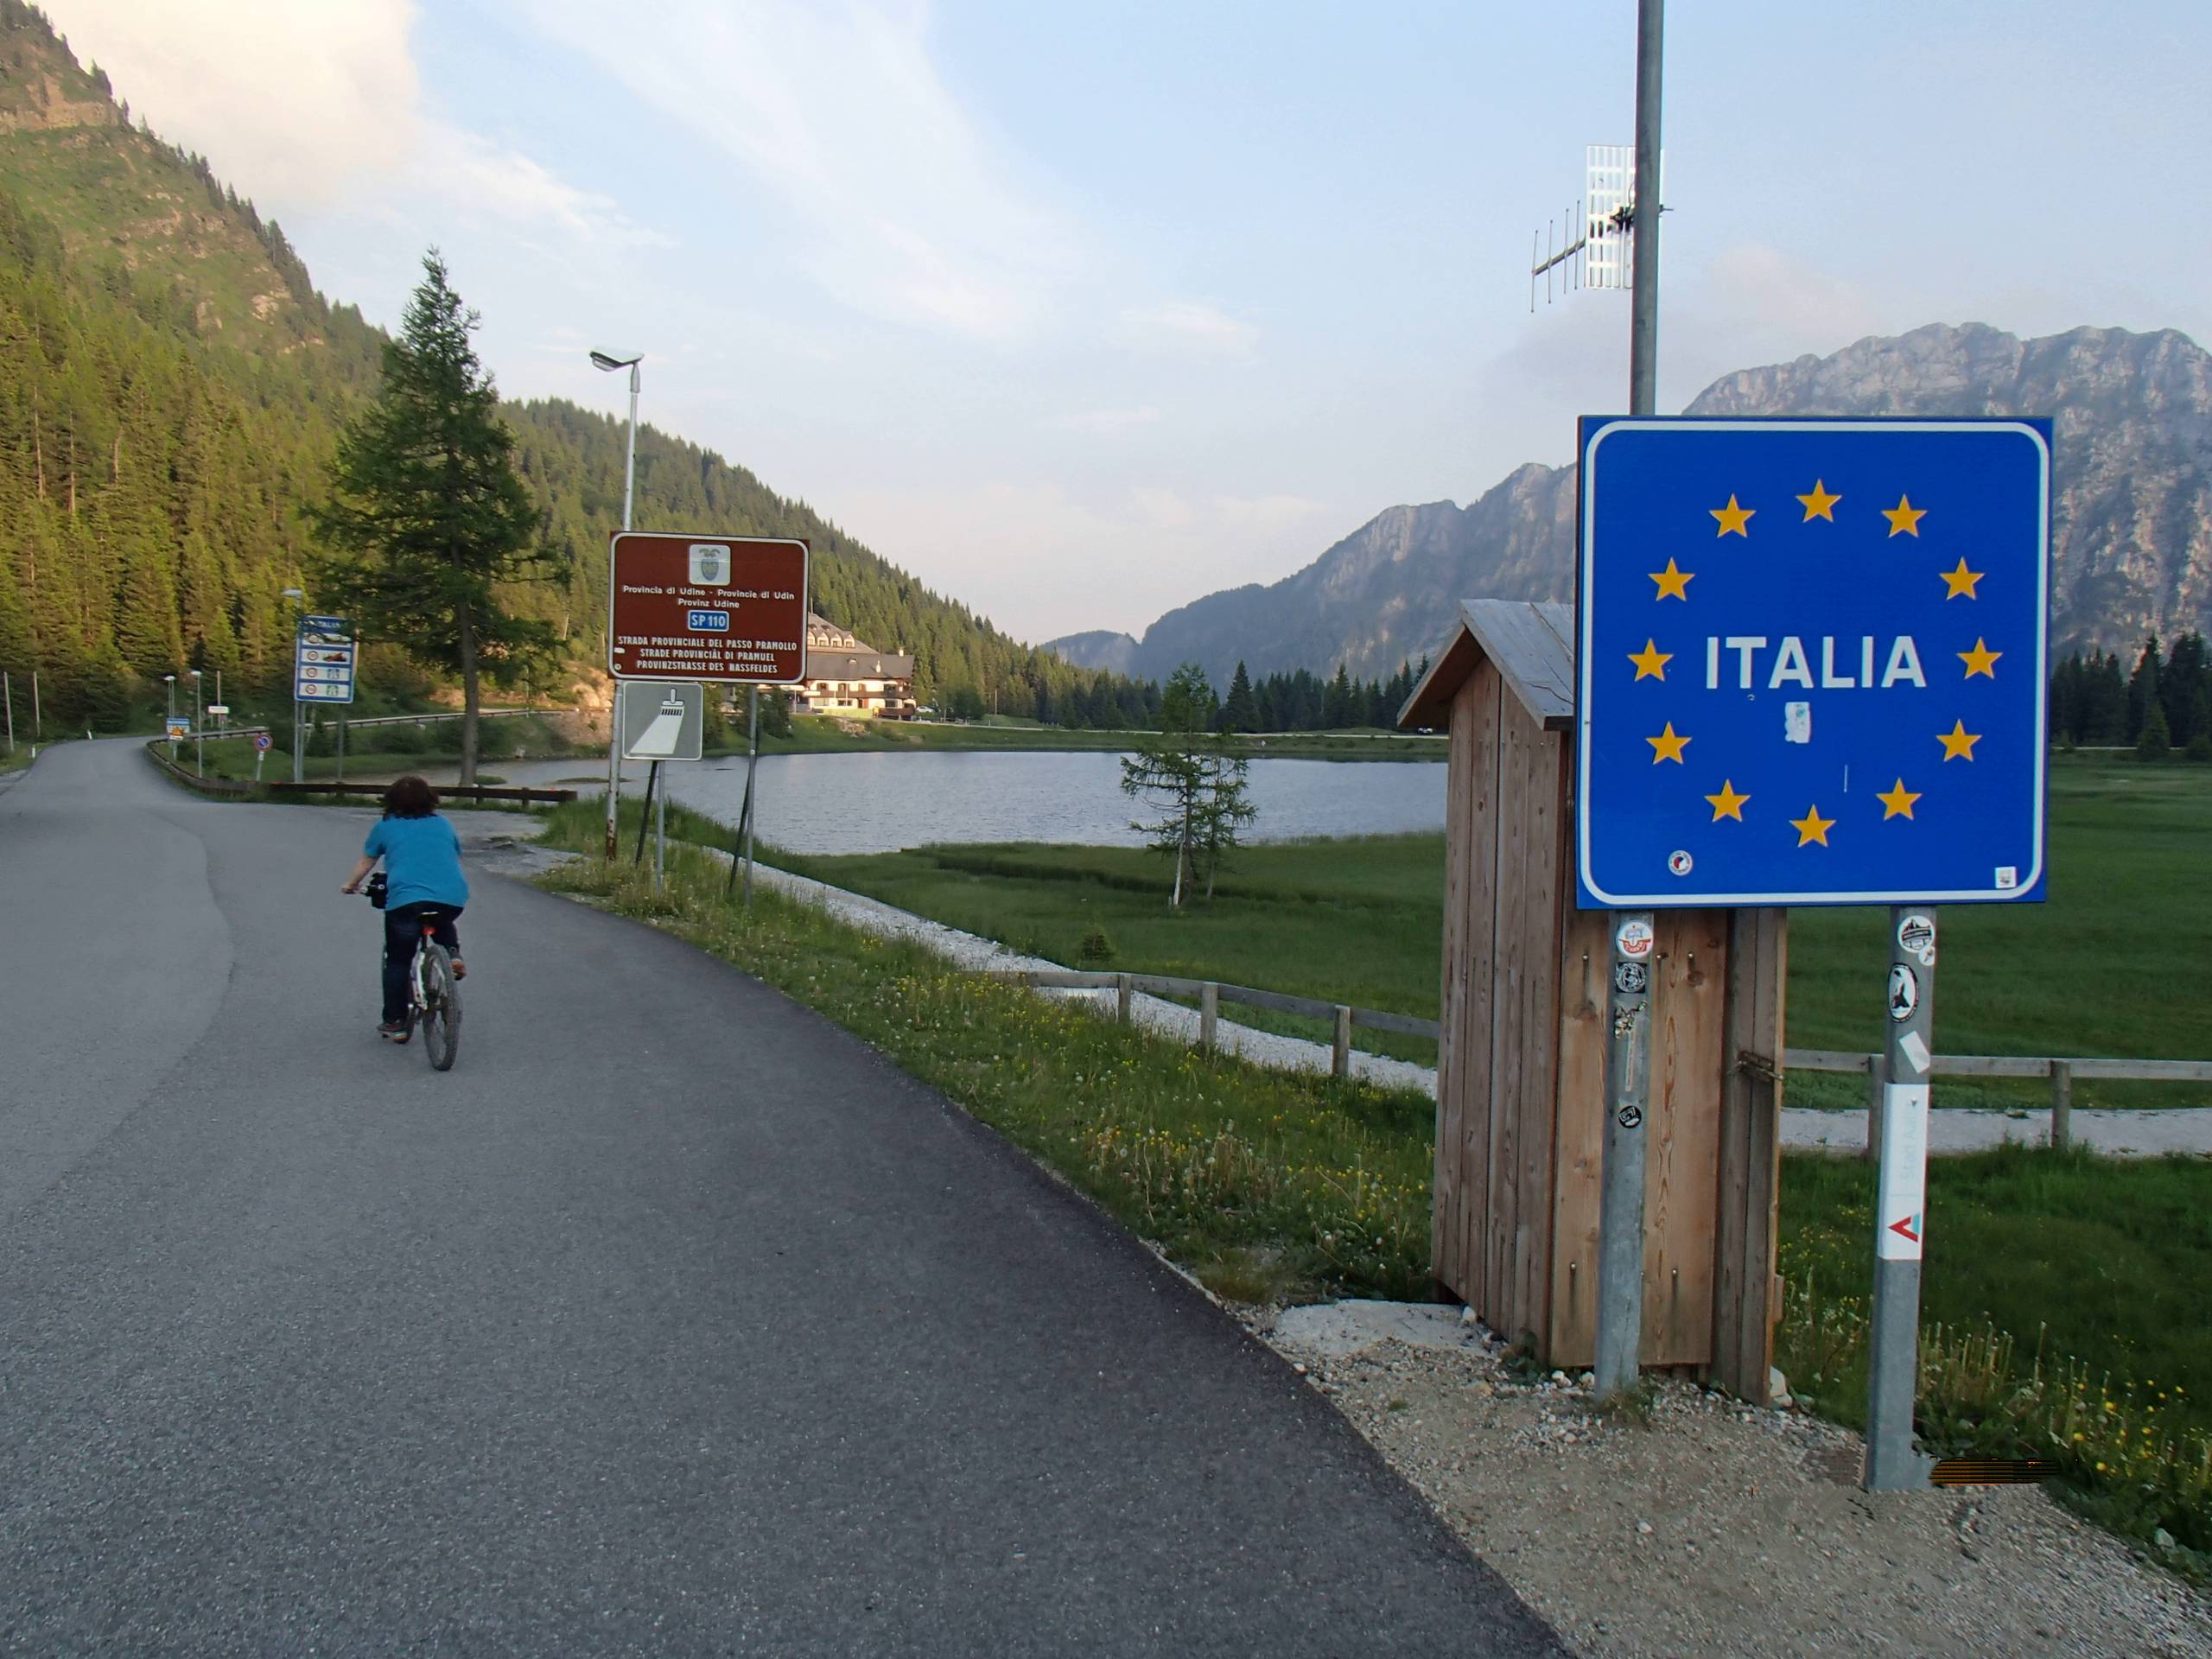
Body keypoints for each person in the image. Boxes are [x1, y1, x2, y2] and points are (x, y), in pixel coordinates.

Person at [341, 774, 469, 1041]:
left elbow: (367, 862)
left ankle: (395, 1023)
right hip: (452, 895)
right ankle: (452, 954)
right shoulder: (443, 823)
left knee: (398, 960)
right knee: (442, 917)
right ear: (430, 799)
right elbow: (454, 853)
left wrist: (351, 884)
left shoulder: (386, 826)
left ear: (391, 801)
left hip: (406, 900)